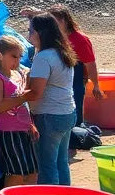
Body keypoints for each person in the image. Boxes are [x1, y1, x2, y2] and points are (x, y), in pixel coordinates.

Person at [19, 4, 103, 125]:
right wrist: (35, 13)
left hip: (75, 80)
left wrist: (96, 85)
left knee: (74, 110)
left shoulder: (79, 39)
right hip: (57, 82)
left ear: (63, 21)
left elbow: (90, 64)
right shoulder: (53, 39)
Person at [22, 13, 78, 185]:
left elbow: (36, 92)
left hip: (49, 116)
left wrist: (10, 100)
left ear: (39, 33)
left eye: (30, 30)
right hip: (67, 113)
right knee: (61, 162)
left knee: (47, 166)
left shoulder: (43, 57)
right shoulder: (62, 53)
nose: (28, 35)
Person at [0, 35, 38, 187]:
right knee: (16, 174)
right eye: (13, 56)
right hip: (9, 131)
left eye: (19, 57)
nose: (17, 61)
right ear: (1, 55)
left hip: (24, 130)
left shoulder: (17, 74)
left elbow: (24, 106)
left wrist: (31, 124)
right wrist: (22, 98)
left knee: (32, 172)